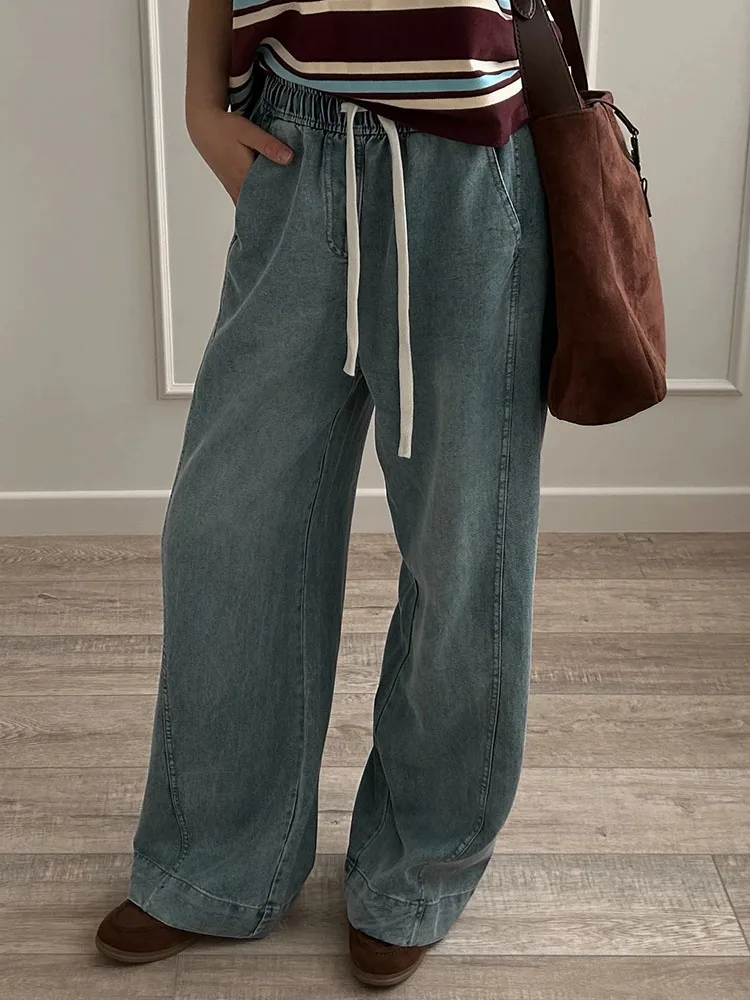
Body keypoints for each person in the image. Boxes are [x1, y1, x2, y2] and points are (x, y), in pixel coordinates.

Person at [95, 0, 555, 987]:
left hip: (471, 162)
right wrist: (200, 105)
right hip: (296, 140)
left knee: (462, 544)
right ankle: (217, 863)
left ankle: (418, 872)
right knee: (229, 528)